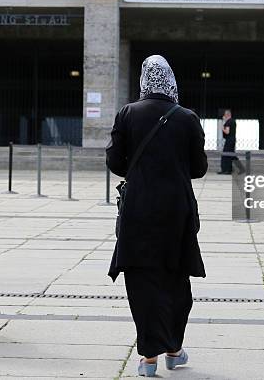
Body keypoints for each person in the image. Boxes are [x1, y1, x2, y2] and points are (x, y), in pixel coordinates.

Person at [106, 54, 207, 377]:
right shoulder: (187, 118)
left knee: (142, 280)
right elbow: (199, 168)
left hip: (138, 209)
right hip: (176, 210)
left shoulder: (128, 114)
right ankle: (174, 349)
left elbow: (115, 162)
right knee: (176, 279)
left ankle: (149, 357)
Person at [218, 109, 237, 174]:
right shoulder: (233, 121)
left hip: (229, 140)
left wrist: (222, 127)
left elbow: (227, 132)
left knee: (225, 155)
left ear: (227, 115)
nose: (224, 116)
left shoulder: (228, 122)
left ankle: (225, 170)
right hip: (232, 140)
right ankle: (232, 169)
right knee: (232, 155)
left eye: (225, 114)